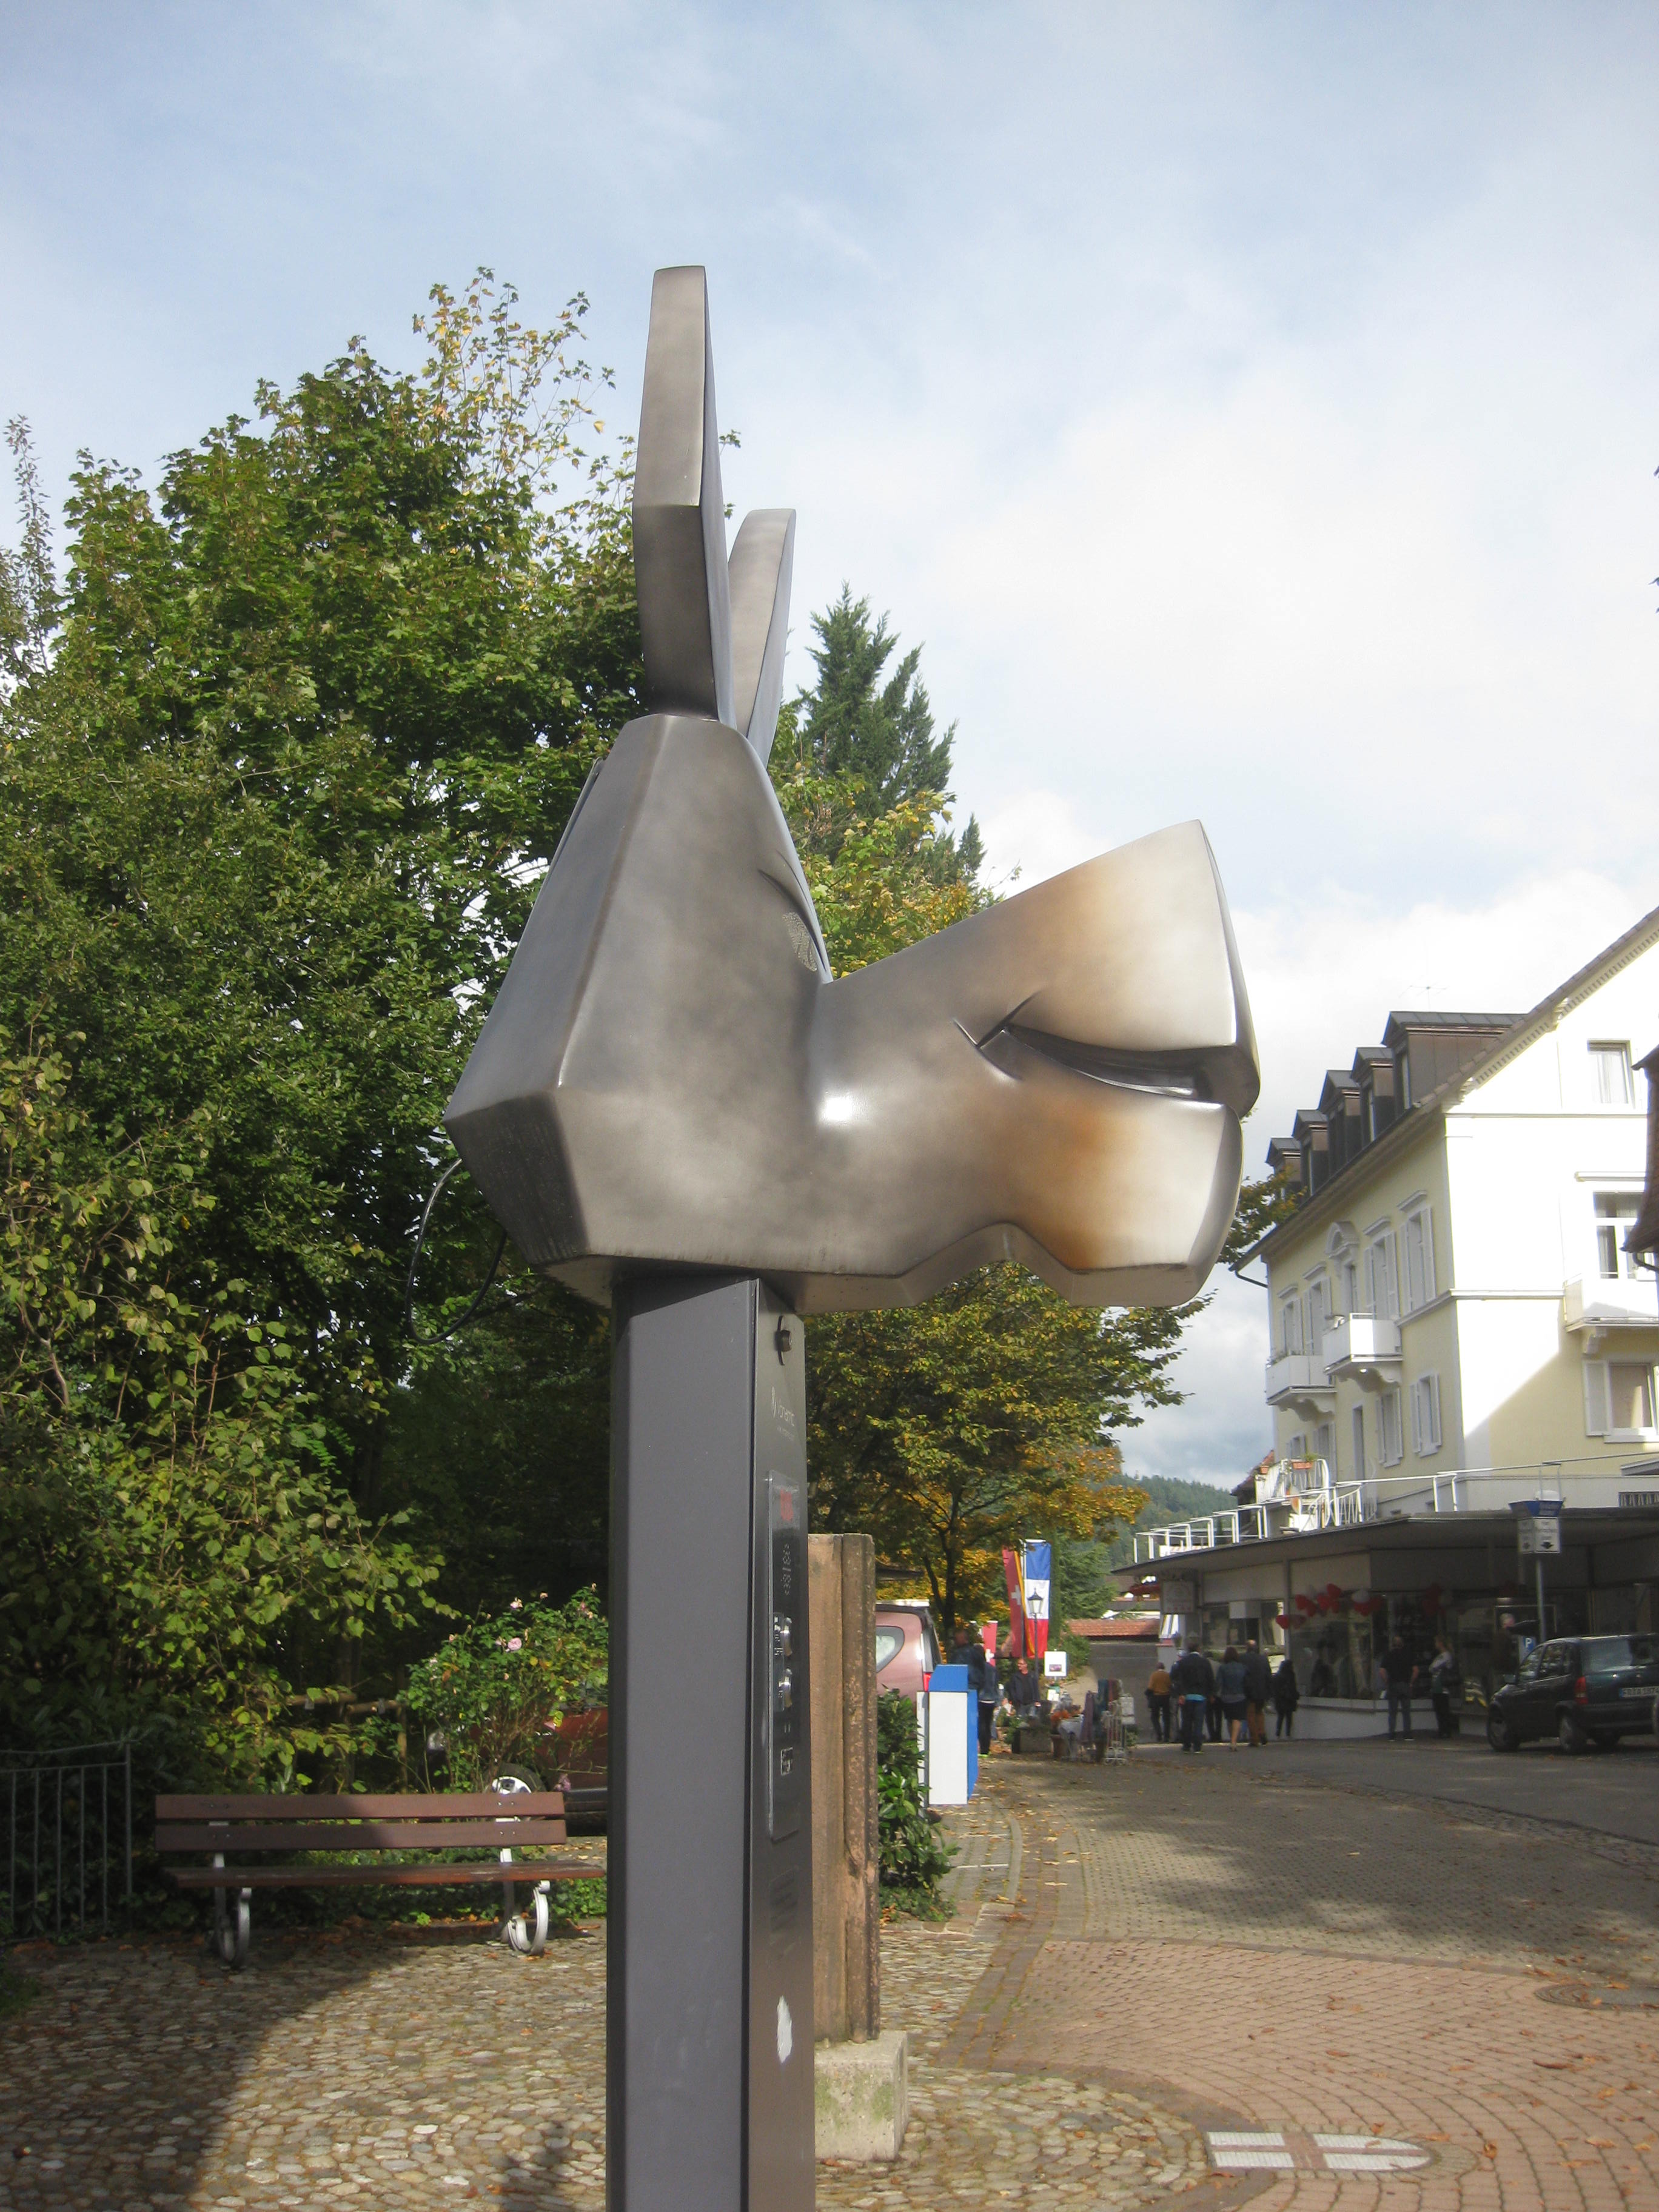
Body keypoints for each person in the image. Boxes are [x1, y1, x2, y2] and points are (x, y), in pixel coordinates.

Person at [1171, 1640, 1216, 1753]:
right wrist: (1211, 1694)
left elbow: (1177, 1679)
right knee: (1199, 1722)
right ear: (1199, 1649)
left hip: (1187, 1697)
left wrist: (1181, 1694)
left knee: (1187, 1721)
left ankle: (1186, 1745)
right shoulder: (1205, 1662)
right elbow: (1210, 1679)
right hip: (1201, 1696)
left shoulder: (1183, 1663)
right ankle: (1197, 1746)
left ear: (1188, 1650)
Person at [1241, 1639, 1273, 1748]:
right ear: (1256, 1648)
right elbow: (1269, 1676)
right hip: (1262, 1691)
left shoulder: (1243, 1659)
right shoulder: (1263, 1659)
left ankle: (1254, 1739)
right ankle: (1262, 1732)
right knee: (1260, 1712)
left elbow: (1243, 1675)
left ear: (1247, 1648)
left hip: (1249, 1691)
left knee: (1250, 1714)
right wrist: (1269, 1691)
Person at [1382, 1634, 1415, 1738]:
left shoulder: (1389, 1655)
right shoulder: (1408, 1655)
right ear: (1403, 1644)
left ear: (1393, 1644)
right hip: (1405, 1685)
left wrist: (1387, 1682)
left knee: (1393, 1712)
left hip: (1393, 1685)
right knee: (1406, 1712)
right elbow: (1416, 1670)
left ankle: (1392, 1734)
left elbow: (1382, 1671)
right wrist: (1411, 1682)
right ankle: (1407, 1734)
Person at [1216, 1645, 1248, 1746]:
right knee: (1237, 1719)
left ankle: (1232, 1738)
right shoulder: (1243, 1667)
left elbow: (1219, 1683)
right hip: (1240, 1696)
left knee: (1229, 1719)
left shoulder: (1223, 1668)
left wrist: (1214, 1694)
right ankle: (1234, 1741)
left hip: (1226, 1697)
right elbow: (1246, 1682)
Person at [1429, 1635, 1460, 1737]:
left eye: (1436, 1642)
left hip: (1442, 1687)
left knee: (1443, 1710)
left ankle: (1446, 1731)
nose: (1435, 1645)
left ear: (1441, 1643)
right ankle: (1442, 1730)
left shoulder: (1446, 1656)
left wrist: (1433, 1668)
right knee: (1439, 1710)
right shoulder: (1441, 1656)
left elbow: (1433, 1667)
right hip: (1437, 1686)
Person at [1272, 1653, 1300, 1737]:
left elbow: (1274, 1689)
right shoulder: (1291, 1675)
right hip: (1288, 1700)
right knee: (1289, 1718)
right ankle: (1288, 1734)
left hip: (1279, 1700)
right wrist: (1296, 1695)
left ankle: (1278, 1734)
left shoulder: (1277, 1676)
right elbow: (1293, 1687)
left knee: (1280, 1718)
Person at [1146, 1658, 1173, 1744]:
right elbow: (1170, 1686)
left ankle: (1159, 1734)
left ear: (1157, 1668)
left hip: (1156, 1697)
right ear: (1164, 1668)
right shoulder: (1167, 1675)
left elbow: (1150, 1688)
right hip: (1166, 1697)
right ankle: (1167, 1736)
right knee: (1167, 1717)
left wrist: (1147, 1694)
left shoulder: (1154, 1675)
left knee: (1154, 1717)